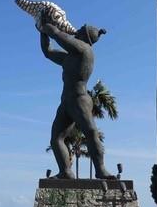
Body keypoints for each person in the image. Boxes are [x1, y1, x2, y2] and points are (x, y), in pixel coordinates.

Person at [38, 16, 115, 179]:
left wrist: (45, 23)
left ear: (85, 36)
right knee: (56, 138)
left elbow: (58, 34)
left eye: (80, 30)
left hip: (80, 99)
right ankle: (65, 171)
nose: (76, 30)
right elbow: (48, 52)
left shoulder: (84, 49)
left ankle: (101, 169)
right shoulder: (70, 57)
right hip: (66, 101)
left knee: (91, 132)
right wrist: (42, 32)